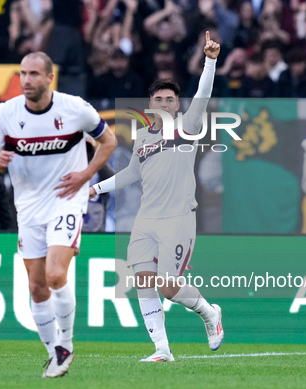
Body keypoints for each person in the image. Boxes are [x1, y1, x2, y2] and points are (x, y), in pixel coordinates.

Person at [0, 52, 115, 378]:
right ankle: (54, 352)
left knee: (55, 275)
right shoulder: (5, 114)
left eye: (35, 74)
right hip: (28, 208)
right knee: (37, 288)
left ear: (50, 78)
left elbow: (108, 141)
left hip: (67, 200)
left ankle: (65, 344)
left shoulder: (75, 109)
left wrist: (86, 175)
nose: (27, 80)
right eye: (23, 73)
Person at [90, 32, 224, 362]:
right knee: (143, 282)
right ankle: (162, 349)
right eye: (159, 99)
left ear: (176, 105)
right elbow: (132, 174)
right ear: (151, 105)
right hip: (146, 219)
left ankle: (210, 313)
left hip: (178, 217)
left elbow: (203, 95)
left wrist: (210, 61)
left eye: (170, 100)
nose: (164, 103)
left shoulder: (188, 126)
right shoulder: (142, 137)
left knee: (167, 286)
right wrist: (96, 187)